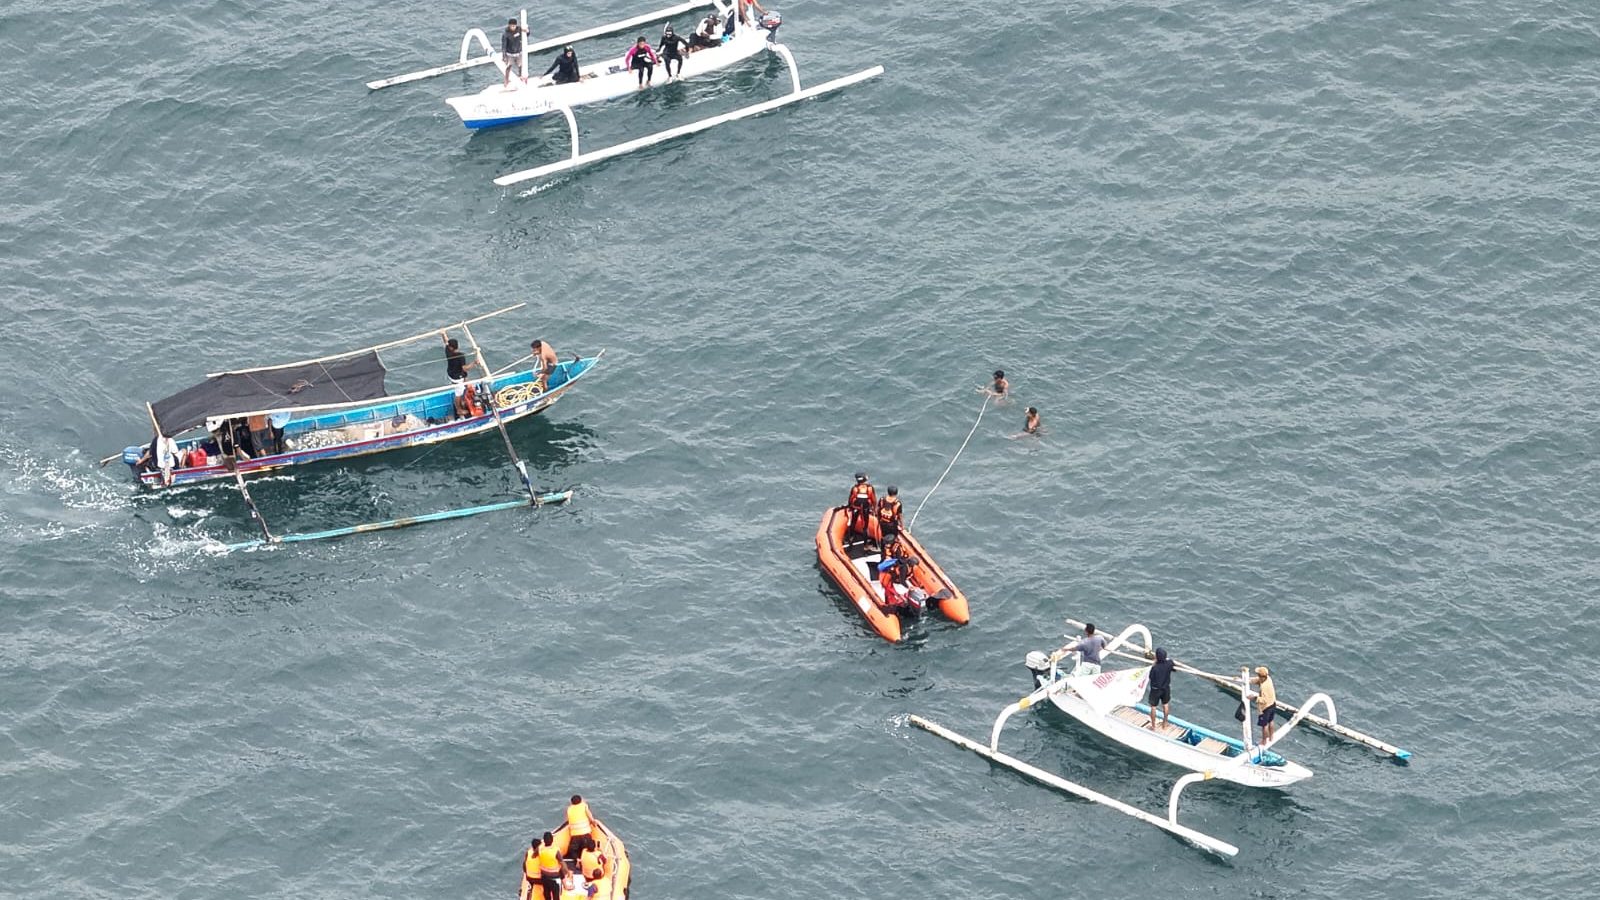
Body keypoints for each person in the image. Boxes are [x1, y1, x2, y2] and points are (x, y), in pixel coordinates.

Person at [442, 330, 483, 419]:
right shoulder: (460, 356)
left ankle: (464, 393)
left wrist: (443, 334)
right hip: (456, 378)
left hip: (451, 374)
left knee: (465, 380)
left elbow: (446, 341)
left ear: (451, 347)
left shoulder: (448, 351)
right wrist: (474, 363)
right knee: (458, 394)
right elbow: (465, 368)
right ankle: (459, 409)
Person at [1147, 647, 1175, 729]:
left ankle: (1153, 725)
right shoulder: (1169, 663)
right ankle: (1165, 723)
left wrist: (1153, 663)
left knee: (1153, 707)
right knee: (1165, 705)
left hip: (1155, 690)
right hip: (1165, 688)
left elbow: (1150, 677)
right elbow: (1172, 664)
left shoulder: (1155, 668)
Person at [844, 472, 876, 542]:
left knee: (853, 522)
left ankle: (850, 538)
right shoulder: (869, 488)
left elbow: (850, 499)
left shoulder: (855, 488)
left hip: (856, 508)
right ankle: (865, 544)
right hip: (865, 508)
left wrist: (850, 507)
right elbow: (873, 499)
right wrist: (874, 509)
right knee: (865, 526)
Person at [564, 794, 595, 859]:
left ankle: (577, 859)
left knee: (573, 850)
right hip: (586, 834)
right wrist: (593, 822)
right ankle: (585, 860)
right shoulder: (584, 806)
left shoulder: (569, 809)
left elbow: (567, 821)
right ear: (581, 801)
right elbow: (590, 816)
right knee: (587, 848)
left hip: (575, 836)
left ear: (571, 803)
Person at [1251, 665, 1277, 743]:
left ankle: (1264, 740)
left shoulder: (1264, 687)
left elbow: (1264, 700)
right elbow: (1258, 680)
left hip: (1266, 707)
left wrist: (1254, 698)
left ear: (1261, 676)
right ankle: (1271, 736)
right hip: (1273, 704)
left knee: (1264, 725)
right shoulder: (1268, 679)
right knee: (1271, 721)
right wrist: (1248, 680)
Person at [534, 832, 563, 900]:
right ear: (552, 840)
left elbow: (534, 855)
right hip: (554, 879)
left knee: (546, 893)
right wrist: (566, 872)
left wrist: (541, 845)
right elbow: (562, 862)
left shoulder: (540, 849)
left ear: (544, 840)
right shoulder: (556, 850)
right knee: (556, 895)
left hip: (544, 877)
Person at [502, 18, 525, 87]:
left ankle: (520, 77)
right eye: (511, 26)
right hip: (510, 54)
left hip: (519, 52)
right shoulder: (506, 34)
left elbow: (527, 34)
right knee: (509, 67)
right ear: (509, 26)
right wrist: (504, 56)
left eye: (514, 26)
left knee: (520, 66)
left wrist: (527, 31)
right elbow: (504, 46)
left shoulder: (519, 30)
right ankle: (506, 80)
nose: (513, 27)